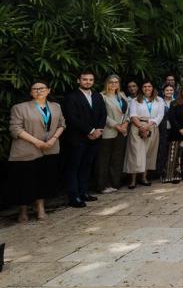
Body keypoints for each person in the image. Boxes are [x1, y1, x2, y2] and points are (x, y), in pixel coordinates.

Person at [5, 81, 65, 221]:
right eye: (35, 89)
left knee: (43, 179)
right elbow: (15, 129)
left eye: (42, 88)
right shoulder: (20, 108)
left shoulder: (56, 106)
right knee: (24, 181)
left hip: (49, 148)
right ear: (31, 92)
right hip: (26, 150)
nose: (39, 91)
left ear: (48, 90)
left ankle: (40, 208)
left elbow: (62, 124)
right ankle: (23, 210)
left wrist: (53, 139)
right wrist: (37, 142)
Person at [62, 70, 107, 208]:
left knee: (86, 166)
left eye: (90, 80)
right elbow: (71, 117)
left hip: (95, 138)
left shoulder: (97, 96)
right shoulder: (71, 97)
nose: (88, 82)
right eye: (85, 79)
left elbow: (103, 114)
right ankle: (74, 196)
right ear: (78, 80)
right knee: (74, 167)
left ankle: (83, 192)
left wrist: (98, 130)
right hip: (77, 138)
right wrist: (90, 130)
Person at [125, 80, 163, 188]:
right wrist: (141, 127)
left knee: (148, 153)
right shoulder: (135, 100)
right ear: (141, 88)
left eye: (149, 86)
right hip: (137, 127)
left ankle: (144, 178)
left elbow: (160, 115)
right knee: (135, 153)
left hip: (152, 126)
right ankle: (132, 180)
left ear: (153, 88)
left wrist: (147, 126)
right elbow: (132, 115)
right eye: (145, 86)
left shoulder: (159, 100)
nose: (147, 88)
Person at [96, 75, 129, 194]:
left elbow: (127, 112)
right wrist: (116, 125)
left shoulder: (122, 95)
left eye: (116, 82)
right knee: (104, 160)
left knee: (117, 158)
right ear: (106, 83)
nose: (114, 84)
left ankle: (115, 183)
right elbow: (102, 114)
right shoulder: (101, 96)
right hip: (109, 130)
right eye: (111, 82)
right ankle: (103, 185)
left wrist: (126, 123)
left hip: (122, 131)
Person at [156, 84, 175, 178]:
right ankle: (160, 172)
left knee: (172, 150)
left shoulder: (176, 102)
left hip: (174, 129)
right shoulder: (159, 101)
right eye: (167, 90)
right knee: (162, 150)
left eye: (171, 90)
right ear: (163, 92)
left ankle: (171, 171)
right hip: (162, 129)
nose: (169, 92)